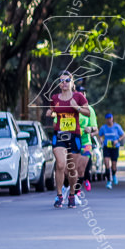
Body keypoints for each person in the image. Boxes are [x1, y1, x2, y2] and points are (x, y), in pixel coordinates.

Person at [44, 70, 91, 208]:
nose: (64, 83)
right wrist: (50, 113)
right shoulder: (55, 98)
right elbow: (51, 111)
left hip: (74, 135)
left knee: (72, 168)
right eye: (61, 81)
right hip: (59, 134)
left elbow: (87, 112)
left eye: (66, 81)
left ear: (72, 82)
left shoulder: (78, 97)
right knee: (60, 164)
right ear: (59, 84)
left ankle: (71, 194)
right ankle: (59, 195)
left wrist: (77, 108)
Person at [98, 113, 125, 188]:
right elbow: (100, 135)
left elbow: (123, 134)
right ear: (106, 119)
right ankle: (108, 181)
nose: (109, 120)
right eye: (107, 118)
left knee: (114, 165)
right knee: (107, 164)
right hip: (107, 147)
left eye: (110, 118)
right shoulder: (103, 127)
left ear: (112, 118)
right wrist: (101, 140)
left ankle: (113, 174)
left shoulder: (117, 127)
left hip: (114, 147)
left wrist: (118, 140)